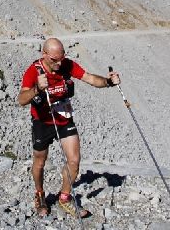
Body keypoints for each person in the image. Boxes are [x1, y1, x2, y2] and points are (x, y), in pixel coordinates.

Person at [18, 38, 120, 218]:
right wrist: (37, 89)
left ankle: (64, 198)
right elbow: (21, 100)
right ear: (44, 55)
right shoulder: (33, 71)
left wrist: (108, 82)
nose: (59, 63)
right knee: (40, 161)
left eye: (61, 58)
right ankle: (40, 194)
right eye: (54, 60)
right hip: (42, 122)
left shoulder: (66, 64)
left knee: (74, 160)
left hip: (64, 118)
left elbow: (89, 78)